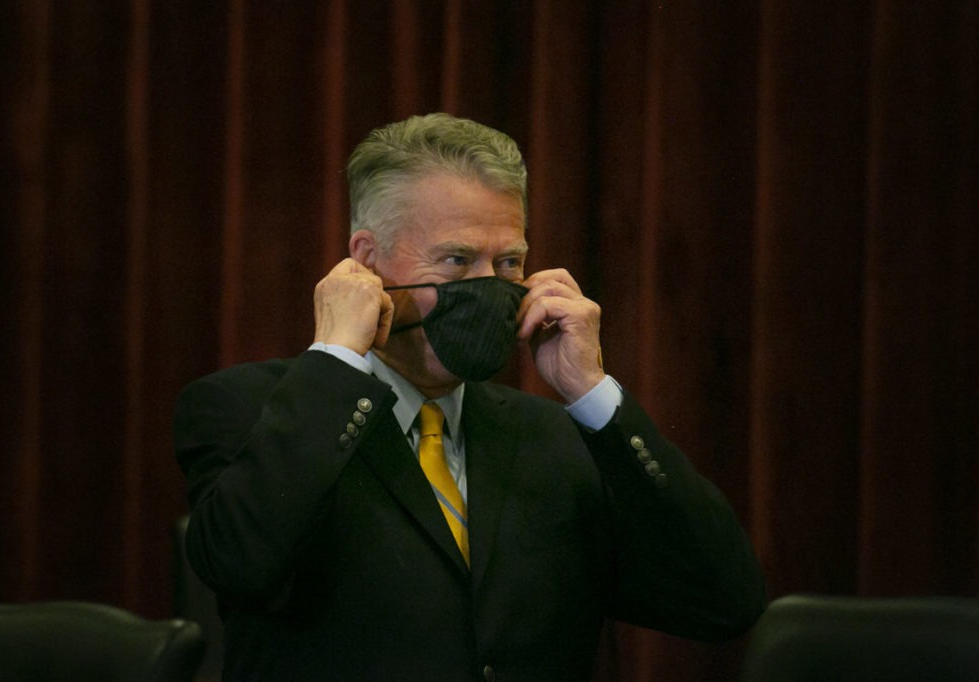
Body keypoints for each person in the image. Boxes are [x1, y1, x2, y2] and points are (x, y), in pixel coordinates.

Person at [174, 113, 765, 681]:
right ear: (366, 260)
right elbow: (236, 564)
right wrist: (335, 360)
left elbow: (722, 601)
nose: (488, 288)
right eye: (457, 261)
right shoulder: (248, 409)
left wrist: (594, 397)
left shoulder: (557, 437)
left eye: (508, 262)